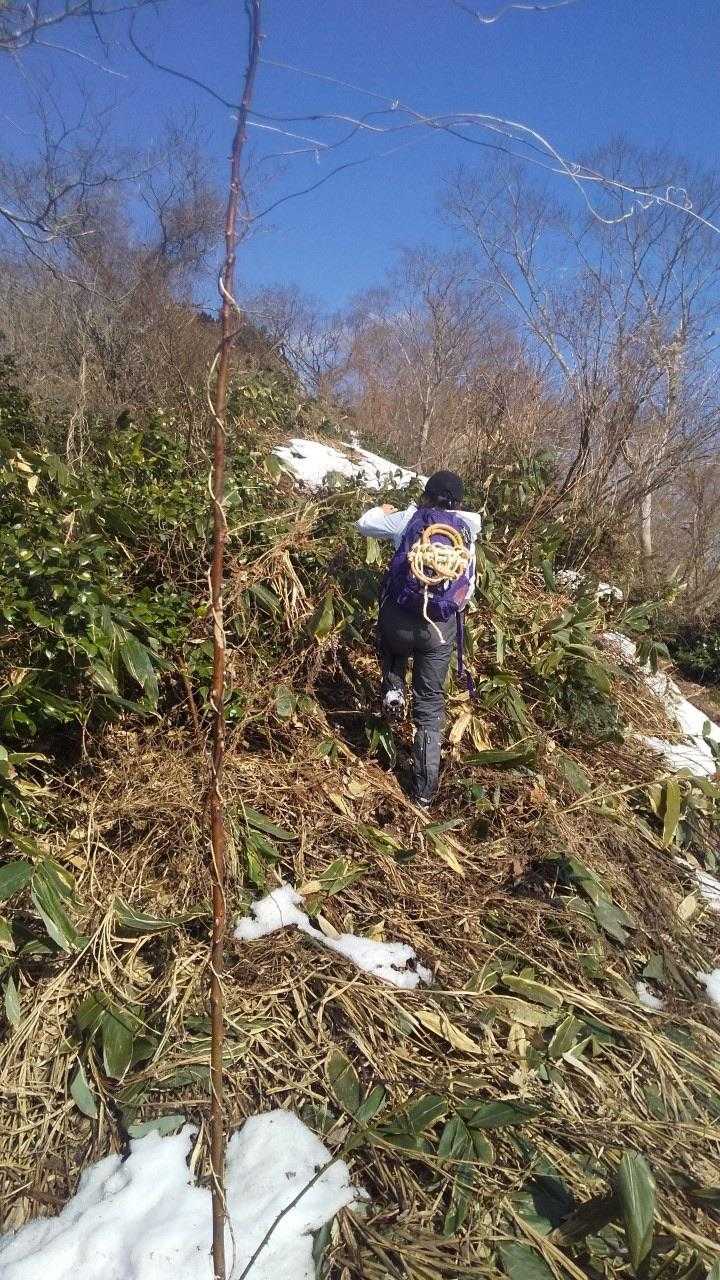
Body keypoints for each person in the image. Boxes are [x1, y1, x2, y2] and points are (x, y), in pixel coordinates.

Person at [357, 470, 482, 806]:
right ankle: (423, 793)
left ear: (426, 495)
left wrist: (382, 510)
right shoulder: (467, 531)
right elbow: (468, 590)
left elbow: (363, 524)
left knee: (391, 643)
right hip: (437, 632)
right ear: (459, 503)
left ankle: (393, 687)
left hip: (398, 622)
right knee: (429, 707)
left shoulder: (409, 519)